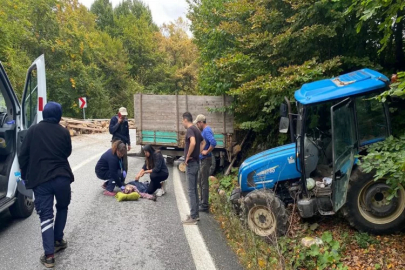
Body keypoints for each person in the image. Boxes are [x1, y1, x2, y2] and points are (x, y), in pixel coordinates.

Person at [19, 102, 74, 268]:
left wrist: (25, 175)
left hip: (41, 180)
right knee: (63, 207)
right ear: (58, 115)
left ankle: (49, 256)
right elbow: (67, 152)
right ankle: (58, 239)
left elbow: (23, 156)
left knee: (46, 216)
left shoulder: (33, 131)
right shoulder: (64, 132)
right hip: (62, 177)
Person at [181, 112, 203, 225]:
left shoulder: (190, 130)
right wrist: (198, 153)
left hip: (191, 163)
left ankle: (193, 217)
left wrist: (188, 156)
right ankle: (196, 214)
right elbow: (203, 142)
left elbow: (193, 143)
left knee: (191, 191)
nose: (182, 123)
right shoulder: (197, 130)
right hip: (197, 162)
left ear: (185, 120)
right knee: (194, 190)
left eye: (182, 121)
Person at [194, 114, 217, 213]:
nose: (197, 126)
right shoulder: (204, 130)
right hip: (202, 159)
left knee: (204, 182)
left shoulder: (207, 130)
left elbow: (213, 142)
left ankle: (205, 205)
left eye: (197, 123)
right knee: (200, 180)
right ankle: (202, 201)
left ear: (200, 122)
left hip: (206, 159)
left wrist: (206, 151)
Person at [109, 107, 131, 172]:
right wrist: (118, 123)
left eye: (124, 115)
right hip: (116, 142)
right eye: (122, 115)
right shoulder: (113, 119)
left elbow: (127, 133)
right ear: (119, 114)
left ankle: (123, 177)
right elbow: (111, 131)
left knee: (124, 161)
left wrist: (129, 143)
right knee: (115, 159)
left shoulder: (125, 121)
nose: (123, 116)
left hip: (123, 142)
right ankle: (115, 175)